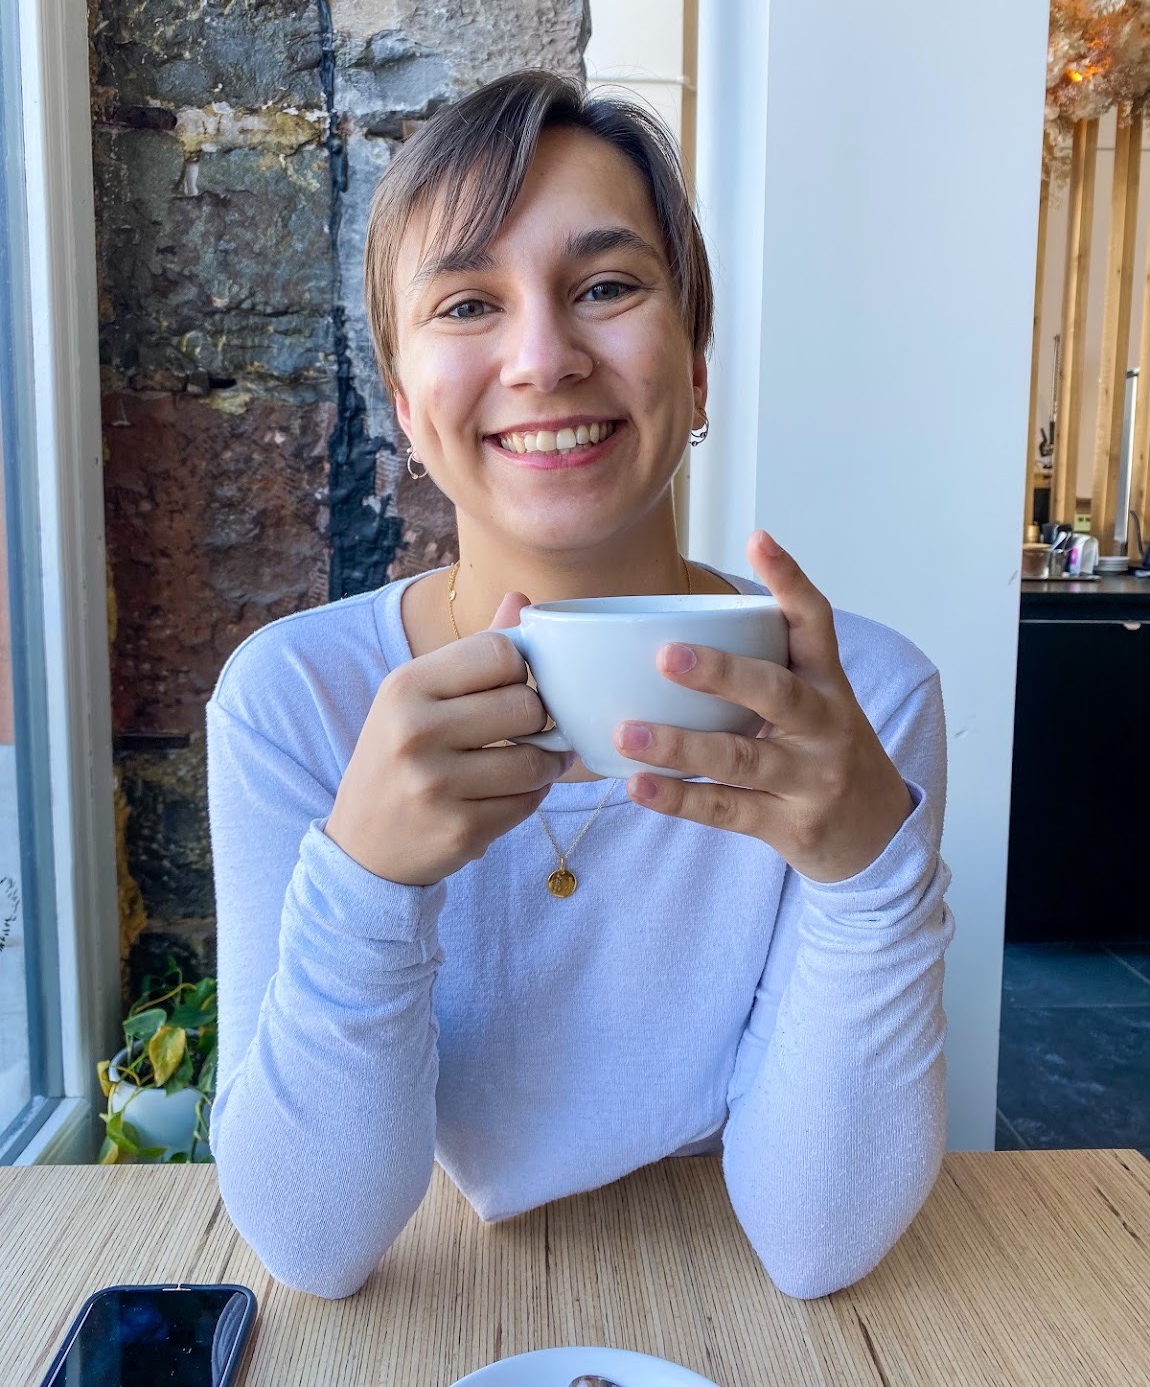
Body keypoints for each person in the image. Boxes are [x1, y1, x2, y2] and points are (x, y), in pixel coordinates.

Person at [205, 70, 954, 1302]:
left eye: (606, 287)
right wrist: (364, 879)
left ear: (696, 367)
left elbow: (815, 1242)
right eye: (466, 304)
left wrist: (872, 878)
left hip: (733, 1288)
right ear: (403, 403)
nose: (544, 358)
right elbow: (313, 1243)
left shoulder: (855, 693)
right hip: (440, 1296)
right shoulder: (297, 701)